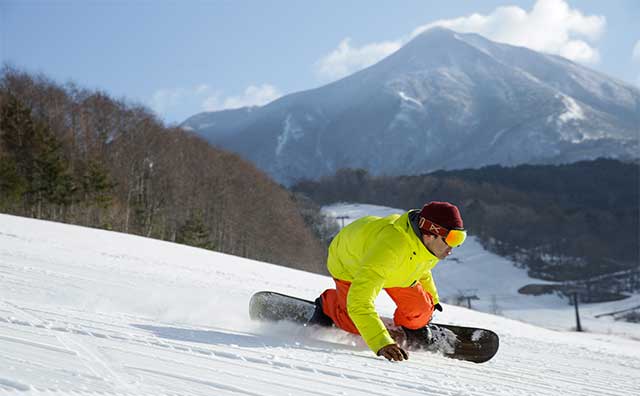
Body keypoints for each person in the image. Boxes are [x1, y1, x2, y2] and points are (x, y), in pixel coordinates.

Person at [309, 201, 466, 362]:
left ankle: (408, 327)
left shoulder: (428, 245)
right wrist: (381, 342)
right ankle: (328, 304)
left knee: (421, 310)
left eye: (461, 237)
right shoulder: (390, 249)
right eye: (453, 238)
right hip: (351, 264)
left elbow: (421, 268)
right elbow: (359, 302)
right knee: (356, 322)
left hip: (394, 272)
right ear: (429, 233)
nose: (454, 246)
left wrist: (432, 298)